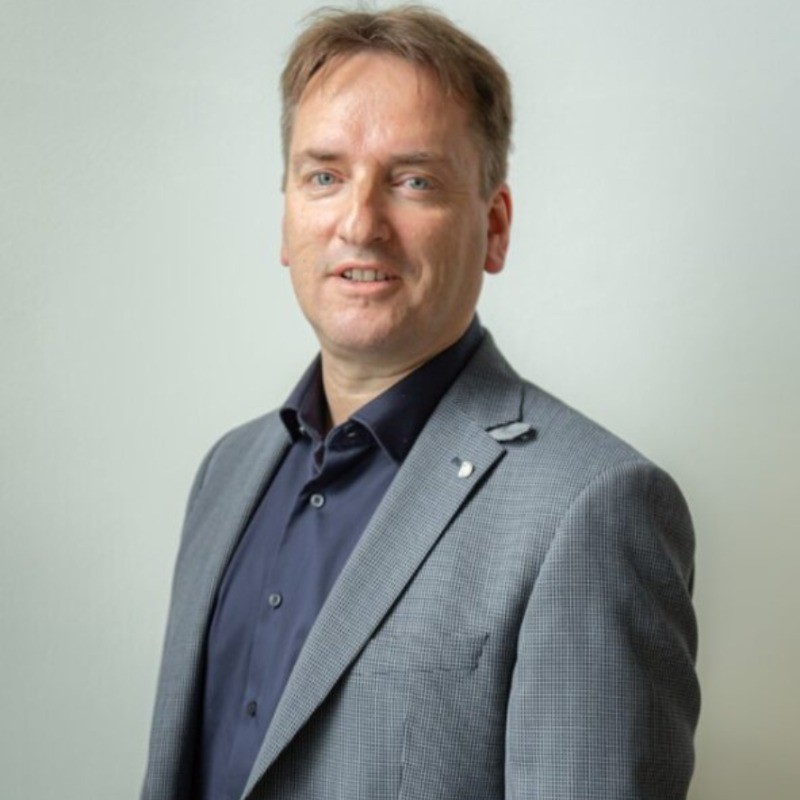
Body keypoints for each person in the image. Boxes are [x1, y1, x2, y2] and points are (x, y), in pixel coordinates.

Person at [141, 6, 699, 799]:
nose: (360, 223)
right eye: (324, 176)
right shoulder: (226, 473)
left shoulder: (591, 506)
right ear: (287, 216)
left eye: (413, 181)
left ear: (494, 228)